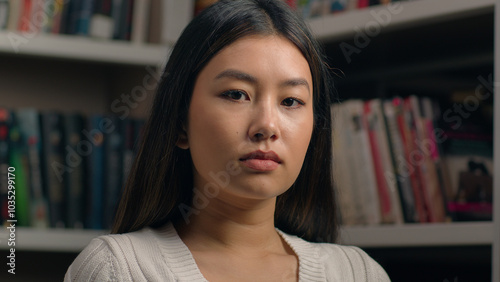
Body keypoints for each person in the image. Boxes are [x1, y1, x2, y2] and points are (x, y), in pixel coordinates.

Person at [65, 0, 390, 281]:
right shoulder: (118, 270)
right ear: (180, 125)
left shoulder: (356, 273)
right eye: (236, 94)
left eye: (290, 101)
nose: (266, 126)